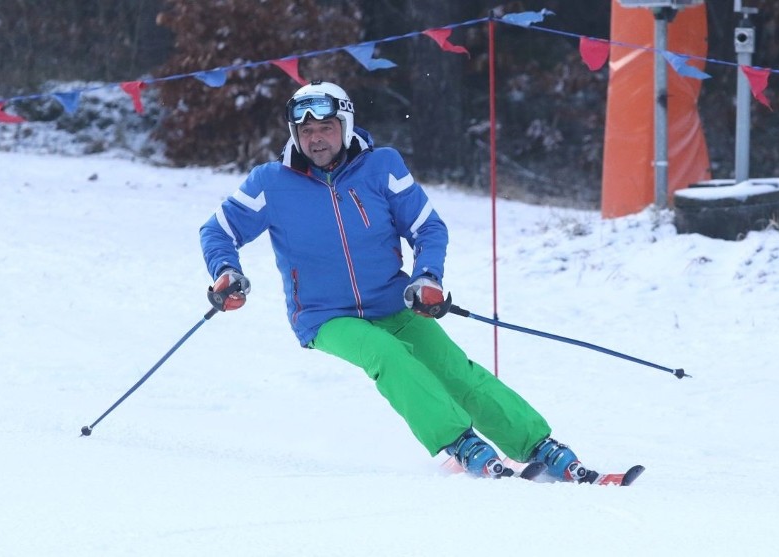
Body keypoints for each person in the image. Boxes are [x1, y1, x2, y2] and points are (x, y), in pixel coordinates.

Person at [200, 80, 594, 481]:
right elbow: (217, 231)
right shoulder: (271, 182)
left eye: (326, 128)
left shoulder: (381, 167)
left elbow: (427, 227)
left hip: (394, 302)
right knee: (385, 354)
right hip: (324, 316)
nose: (316, 139)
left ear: (346, 126)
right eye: (306, 132)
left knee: (453, 368)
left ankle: (538, 445)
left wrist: (427, 277)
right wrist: (226, 272)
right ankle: (460, 442)